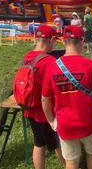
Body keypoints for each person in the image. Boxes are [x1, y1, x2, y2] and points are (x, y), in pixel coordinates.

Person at [42, 25, 92, 169]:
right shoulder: (91, 65)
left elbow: (45, 98)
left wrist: (52, 121)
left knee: (71, 162)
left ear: (63, 42)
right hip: (90, 121)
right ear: (82, 41)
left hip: (65, 123)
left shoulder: (52, 67)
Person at [22, 24, 63, 169]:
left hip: (29, 108)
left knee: (39, 142)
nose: (56, 43)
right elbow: (55, 89)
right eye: (55, 40)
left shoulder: (26, 57)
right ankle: (70, 165)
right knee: (58, 142)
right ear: (51, 39)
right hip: (46, 111)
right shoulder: (49, 61)